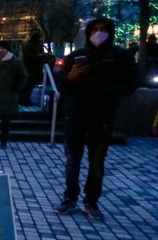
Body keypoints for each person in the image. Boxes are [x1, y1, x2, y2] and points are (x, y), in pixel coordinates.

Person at [54, 18, 138, 220]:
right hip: (76, 117)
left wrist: (106, 89)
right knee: (72, 161)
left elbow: (131, 84)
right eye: (94, 30)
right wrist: (69, 78)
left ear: (110, 32)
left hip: (102, 118)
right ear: (88, 33)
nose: (98, 33)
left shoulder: (119, 57)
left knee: (97, 164)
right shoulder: (77, 56)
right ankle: (70, 198)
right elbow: (63, 88)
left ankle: (91, 202)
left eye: (102, 30)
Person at [0, 41, 27, 148]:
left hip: (8, 95)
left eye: (3, 48)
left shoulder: (15, 62)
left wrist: (16, 88)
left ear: (7, 49)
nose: (1, 50)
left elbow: (23, 76)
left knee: (5, 121)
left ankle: (3, 141)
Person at [21, 29, 46, 106]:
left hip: (36, 68)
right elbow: (26, 55)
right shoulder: (28, 44)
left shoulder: (39, 44)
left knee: (30, 85)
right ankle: (23, 100)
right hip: (29, 67)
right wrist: (38, 56)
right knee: (27, 85)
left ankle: (26, 99)